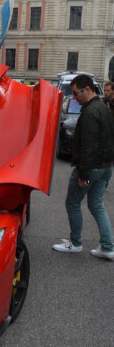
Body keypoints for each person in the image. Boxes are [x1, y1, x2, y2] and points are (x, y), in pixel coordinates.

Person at [52, 73, 114, 260]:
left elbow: (89, 145)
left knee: (72, 203)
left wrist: (83, 174)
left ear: (87, 89)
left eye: (76, 93)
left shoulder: (90, 111)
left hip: (91, 167)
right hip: (105, 166)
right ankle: (108, 247)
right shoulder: (104, 108)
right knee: (97, 205)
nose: (75, 98)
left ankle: (76, 243)